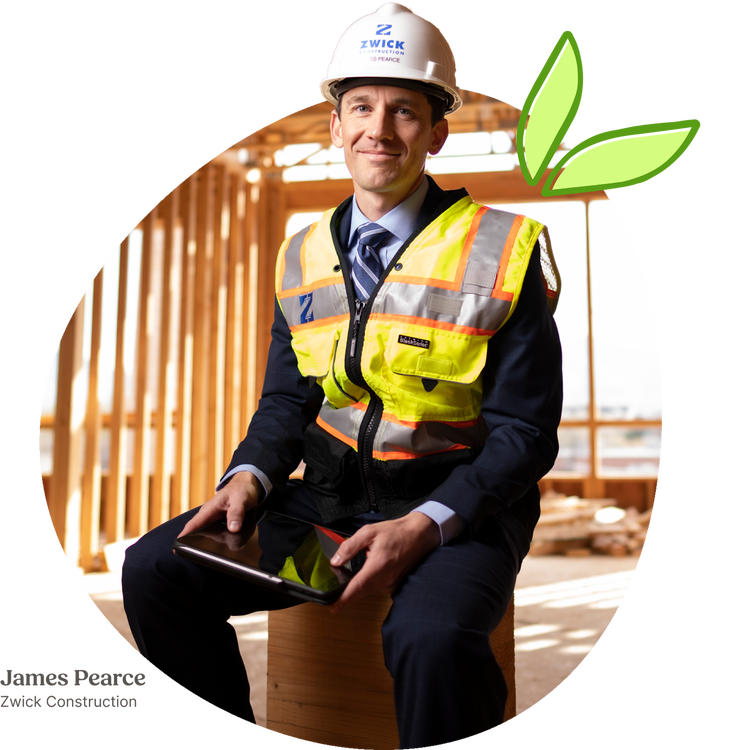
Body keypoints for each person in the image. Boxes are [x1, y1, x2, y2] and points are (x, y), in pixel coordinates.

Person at [122, 3, 563, 747]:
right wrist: (250, 478)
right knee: (152, 571)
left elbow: (525, 435)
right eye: (359, 107)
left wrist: (427, 524)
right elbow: (287, 399)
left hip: (457, 512)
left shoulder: (503, 248)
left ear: (438, 131)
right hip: (324, 499)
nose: (378, 130)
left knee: (433, 641)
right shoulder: (301, 255)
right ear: (335, 124)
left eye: (404, 112)